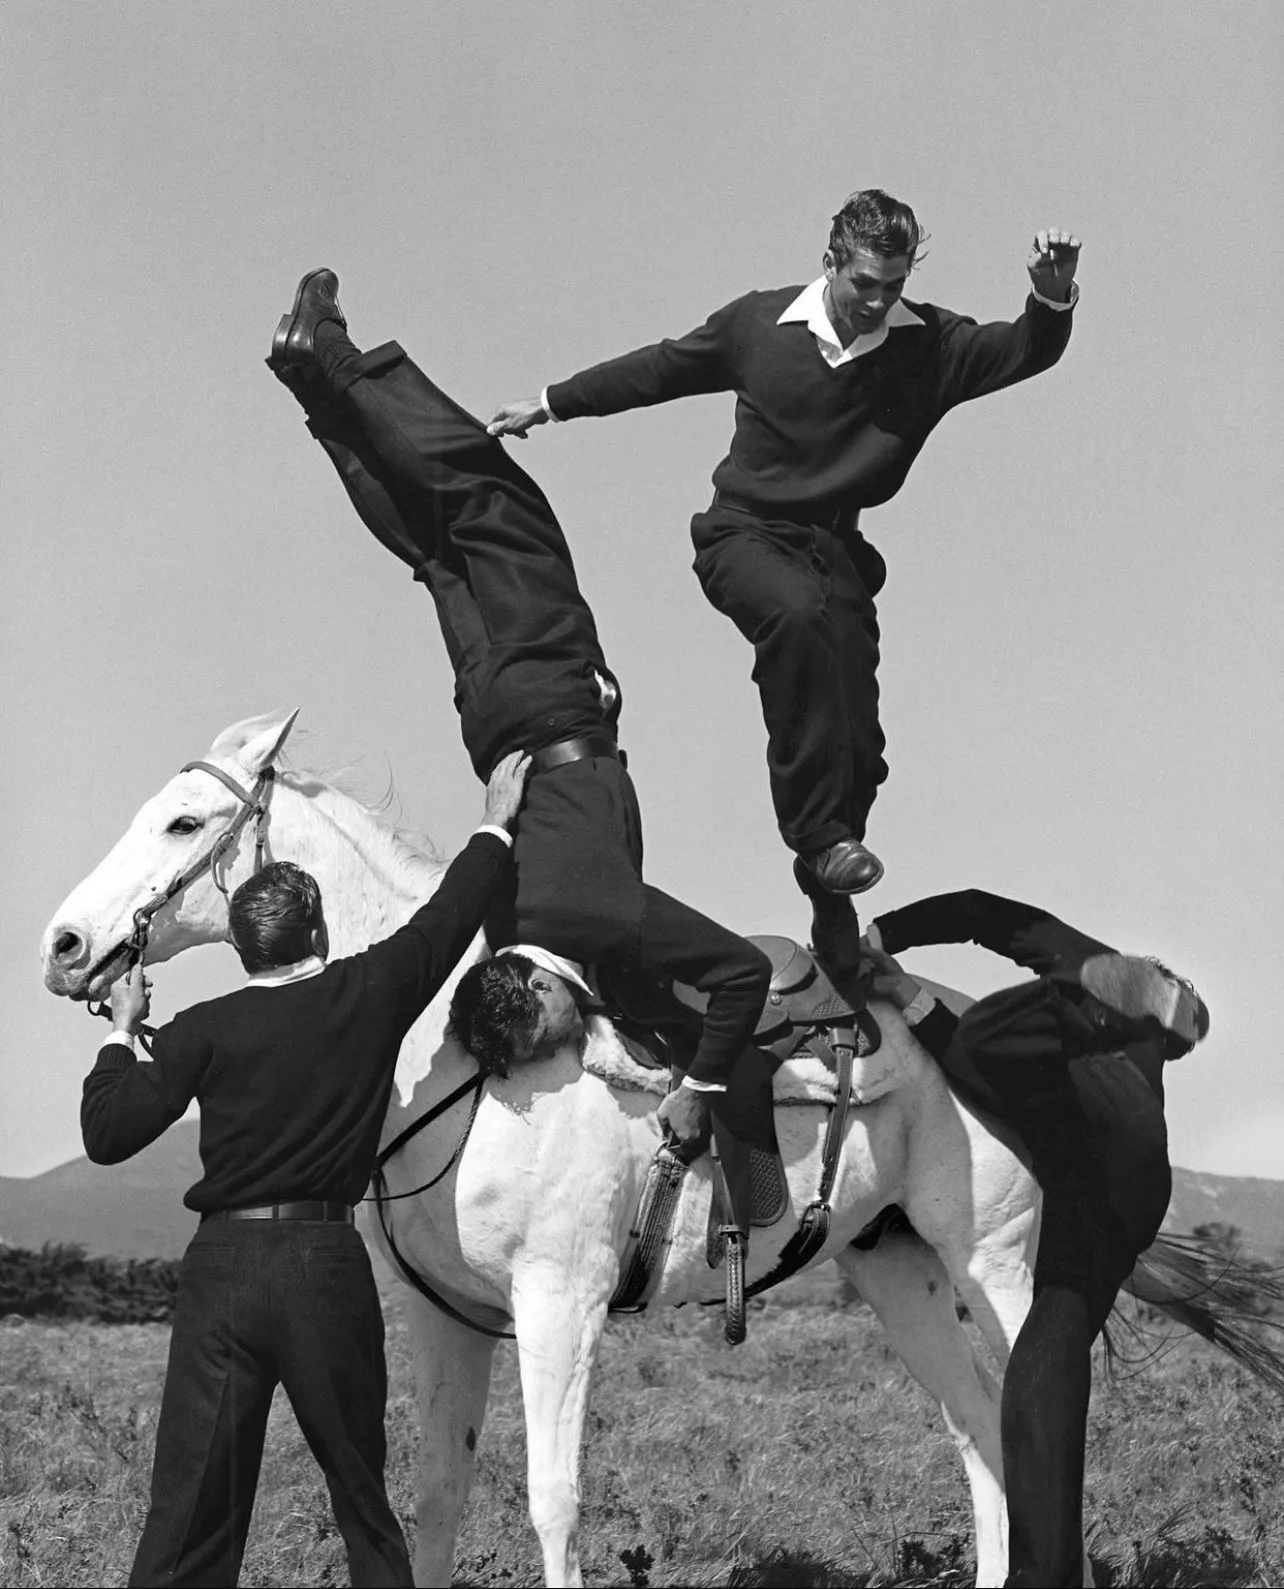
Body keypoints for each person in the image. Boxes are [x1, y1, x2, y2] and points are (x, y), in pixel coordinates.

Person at [267, 268, 771, 1153]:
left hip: (550, 697)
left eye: (552, 1033)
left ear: (539, 992)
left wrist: (704, 1085)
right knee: (433, 549)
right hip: (489, 716)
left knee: (495, 503)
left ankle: (334, 359)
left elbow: (744, 973)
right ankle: (315, 392)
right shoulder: (498, 925)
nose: (569, 1037)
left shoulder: (604, 928)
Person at [489, 190, 1081, 896]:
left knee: (858, 731)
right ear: (830, 262)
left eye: (894, 287)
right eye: (864, 283)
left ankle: (832, 868)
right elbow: (662, 368)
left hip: (837, 551)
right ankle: (818, 833)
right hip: (742, 533)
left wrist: (1050, 299)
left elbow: (1023, 350)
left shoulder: (932, 346)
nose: (876, 301)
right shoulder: (760, 326)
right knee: (798, 616)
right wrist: (553, 401)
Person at [80, 754, 529, 1588]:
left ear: (243, 947)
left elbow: (105, 1132)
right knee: (361, 1499)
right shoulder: (372, 990)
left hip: (219, 1270)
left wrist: (122, 1030)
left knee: (189, 1513)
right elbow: (449, 914)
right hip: (324, 1265)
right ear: (317, 934)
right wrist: (495, 822)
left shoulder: (201, 1030)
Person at [861, 888, 1208, 1588]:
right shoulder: (1086, 1011)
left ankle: (1045, 1575)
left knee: (1037, 1377)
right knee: (1037, 1376)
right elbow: (987, 929)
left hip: (1110, 1182)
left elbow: (985, 916)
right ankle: (1046, 1571)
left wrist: (886, 940)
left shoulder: (1094, 979)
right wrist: (894, 959)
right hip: (1112, 1179)